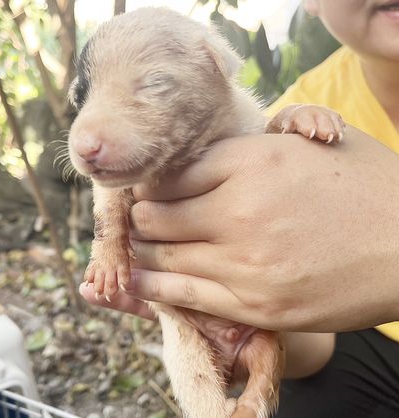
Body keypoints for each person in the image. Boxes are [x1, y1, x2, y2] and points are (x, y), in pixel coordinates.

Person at [80, 0, 399, 415]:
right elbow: (315, 334)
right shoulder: (306, 99)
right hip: (363, 338)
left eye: (153, 85)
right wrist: (235, 317)